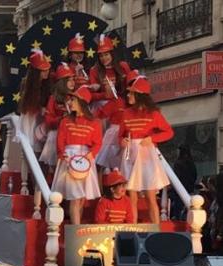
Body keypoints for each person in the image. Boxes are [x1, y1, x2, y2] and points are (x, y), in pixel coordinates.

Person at [119, 77, 174, 223]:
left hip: (146, 154)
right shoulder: (125, 113)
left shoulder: (154, 114)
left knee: (150, 195)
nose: (128, 96)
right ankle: (134, 228)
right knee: (132, 195)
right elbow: (121, 135)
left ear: (139, 95)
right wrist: (122, 141)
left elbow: (168, 132)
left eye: (131, 93)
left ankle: (156, 230)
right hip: (130, 155)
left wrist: (152, 139)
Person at [52, 85, 102, 224]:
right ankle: (76, 228)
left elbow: (98, 143)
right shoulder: (65, 121)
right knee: (75, 196)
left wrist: (91, 155)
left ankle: (76, 225)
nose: (70, 102)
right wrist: (63, 154)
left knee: (81, 198)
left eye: (73, 100)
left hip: (85, 159)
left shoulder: (94, 122)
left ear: (81, 102)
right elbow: (60, 140)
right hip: (69, 158)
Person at [89, 36, 132, 171]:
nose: (104, 58)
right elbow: (90, 95)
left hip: (120, 107)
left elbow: (131, 85)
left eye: (106, 54)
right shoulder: (94, 70)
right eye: (101, 56)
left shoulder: (123, 67)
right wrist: (104, 95)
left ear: (112, 53)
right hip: (102, 108)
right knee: (103, 143)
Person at [40, 63, 75, 172]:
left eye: (74, 79)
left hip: (72, 137)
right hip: (56, 136)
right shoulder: (53, 99)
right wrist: (61, 119)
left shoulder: (77, 97)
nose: (73, 82)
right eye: (69, 80)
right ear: (62, 82)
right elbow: (48, 120)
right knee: (55, 169)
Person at [17, 50, 51, 153]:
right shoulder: (27, 84)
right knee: (30, 144)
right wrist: (41, 109)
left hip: (41, 119)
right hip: (30, 119)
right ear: (36, 72)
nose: (47, 72)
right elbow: (28, 106)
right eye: (43, 70)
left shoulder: (46, 84)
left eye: (47, 69)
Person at [172, 145, 197, 220]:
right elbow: (194, 175)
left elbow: (176, 177)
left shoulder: (178, 163)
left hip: (179, 190)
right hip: (189, 189)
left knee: (179, 209)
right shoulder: (191, 163)